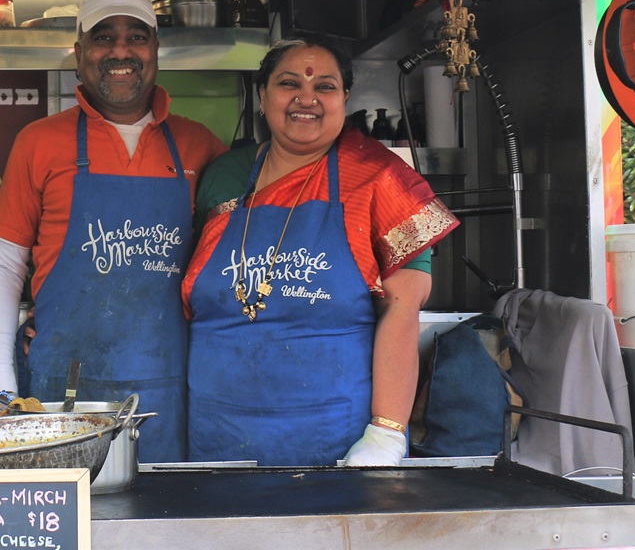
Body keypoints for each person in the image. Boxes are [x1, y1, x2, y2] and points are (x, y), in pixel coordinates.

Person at [180, 35, 459, 467]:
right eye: (289, 83)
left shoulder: (378, 179)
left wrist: (387, 432)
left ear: (344, 99)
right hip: (217, 431)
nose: (305, 98)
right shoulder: (224, 178)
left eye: (324, 87)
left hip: (331, 438)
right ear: (263, 96)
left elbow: (403, 309)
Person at [0, 0, 227, 463]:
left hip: (169, 389)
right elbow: (6, 266)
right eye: (103, 36)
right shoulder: (38, 141)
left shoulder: (201, 146)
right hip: (59, 389)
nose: (120, 50)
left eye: (137, 36)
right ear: (79, 52)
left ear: (155, 49)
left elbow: (227, 269)